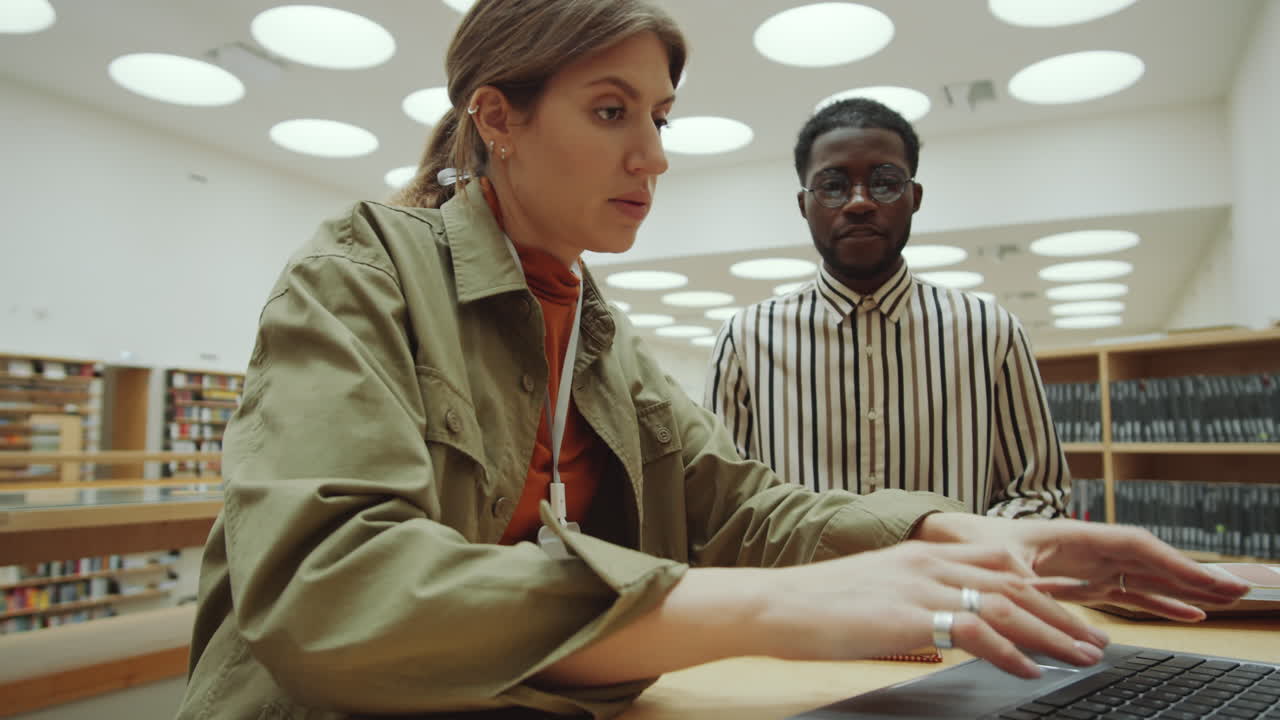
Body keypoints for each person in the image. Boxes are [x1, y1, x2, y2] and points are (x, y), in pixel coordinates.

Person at [175, 2, 1247, 718]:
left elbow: (742, 510)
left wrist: (953, 534)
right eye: (609, 112)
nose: (652, 153)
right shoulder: (360, 269)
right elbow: (329, 590)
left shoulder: (601, 336)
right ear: (494, 118)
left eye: (657, 116)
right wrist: (778, 607)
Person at [705, 98, 1070, 518]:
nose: (860, 202)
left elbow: (1037, 493)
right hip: (804, 585)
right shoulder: (746, 340)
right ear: (804, 205)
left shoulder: (990, 332)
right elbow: (723, 508)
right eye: (833, 186)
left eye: (884, 182)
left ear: (914, 197)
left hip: (948, 584)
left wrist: (959, 562)